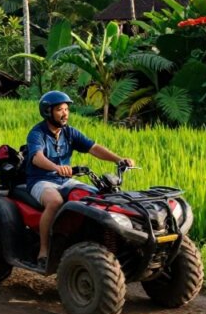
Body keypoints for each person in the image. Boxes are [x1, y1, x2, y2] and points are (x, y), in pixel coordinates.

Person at [26, 91, 135, 268]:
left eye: (67, 109)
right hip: (41, 180)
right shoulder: (37, 133)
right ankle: (44, 250)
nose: (65, 113)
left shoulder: (69, 132)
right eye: (60, 109)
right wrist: (56, 168)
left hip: (66, 180)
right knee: (54, 201)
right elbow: (36, 157)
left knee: (98, 198)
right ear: (48, 112)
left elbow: (94, 148)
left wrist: (119, 159)